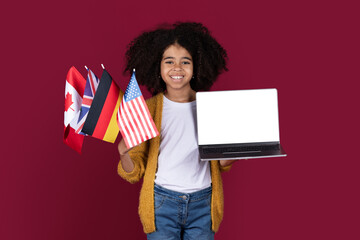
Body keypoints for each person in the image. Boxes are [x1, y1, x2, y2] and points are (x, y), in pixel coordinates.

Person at [117, 22, 235, 239]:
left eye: (185, 61)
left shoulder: (211, 107)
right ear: (158, 67)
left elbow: (221, 163)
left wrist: (238, 151)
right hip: (161, 204)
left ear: (196, 66)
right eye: (169, 61)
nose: (177, 68)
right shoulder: (149, 109)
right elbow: (134, 172)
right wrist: (124, 153)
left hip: (203, 203)